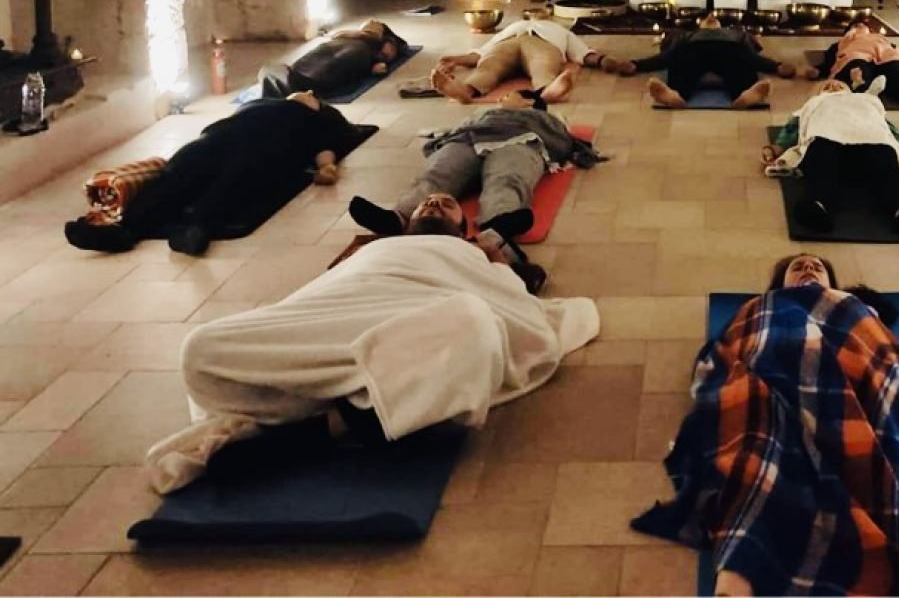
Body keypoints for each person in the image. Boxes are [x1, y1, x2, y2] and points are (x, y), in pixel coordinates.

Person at [632, 252, 899, 596]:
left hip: (859, 384)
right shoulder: (760, 309)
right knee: (761, 443)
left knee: (887, 443)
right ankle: (737, 580)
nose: (809, 267)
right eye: (797, 266)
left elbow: (895, 366)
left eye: (818, 266)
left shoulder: (853, 310)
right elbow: (724, 357)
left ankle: (897, 543)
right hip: (777, 372)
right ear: (778, 285)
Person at [143, 197, 599, 494]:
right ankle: (349, 414)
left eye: (449, 207)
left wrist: (496, 264)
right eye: (427, 203)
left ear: (465, 231)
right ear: (406, 222)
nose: (437, 201)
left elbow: (525, 321)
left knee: (475, 322)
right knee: (199, 350)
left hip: (415, 329)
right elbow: (324, 297)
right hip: (337, 334)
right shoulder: (375, 249)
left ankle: (319, 430)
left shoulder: (473, 254)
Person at [63, 92, 368, 256]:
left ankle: (198, 226)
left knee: (235, 176)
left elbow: (326, 153)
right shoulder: (261, 102)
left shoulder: (316, 119)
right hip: (218, 137)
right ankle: (124, 231)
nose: (307, 92)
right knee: (180, 170)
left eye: (311, 94)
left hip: (270, 147)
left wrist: (327, 169)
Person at [346, 104, 603, 240]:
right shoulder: (483, 113)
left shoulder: (543, 115)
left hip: (522, 139)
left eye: (520, 96)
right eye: (507, 96)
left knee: (506, 179)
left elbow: (561, 136)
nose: (511, 97)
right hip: (469, 139)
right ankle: (399, 218)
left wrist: (537, 105)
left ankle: (498, 227)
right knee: (436, 176)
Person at [763, 80, 899, 234]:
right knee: (821, 151)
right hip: (830, 143)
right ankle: (817, 205)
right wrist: (776, 148)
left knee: (884, 151)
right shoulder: (814, 104)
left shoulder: (865, 100)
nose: (833, 85)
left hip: (869, 145)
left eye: (839, 84)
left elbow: (886, 128)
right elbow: (792, 129)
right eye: (827, 85)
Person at [615, 11, 791, 108]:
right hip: (693, 51)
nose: (711, 17)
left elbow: (752, 54)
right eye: (706, 18)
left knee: (742, 60)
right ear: (698, 26)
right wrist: (636, 65)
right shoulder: (685, 35)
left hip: (729, 51)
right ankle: (674, 95)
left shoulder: (738, 34)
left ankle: (745, 95)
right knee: (679, 58)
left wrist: (777, 66)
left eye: (714, 18)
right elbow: (667, 55)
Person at [431, 13, 612, 104]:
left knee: (543, 67)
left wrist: (605, 61)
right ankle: (465, 90)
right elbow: (480, 53)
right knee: (488, 67)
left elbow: (583, 53)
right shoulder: (514, 26)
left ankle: (548, 91)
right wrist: (455, 59)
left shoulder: (559, 29)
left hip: (543, 45)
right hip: (506, 45)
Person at [259, 19, 408, 99]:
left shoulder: (385, 42)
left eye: (375, 26)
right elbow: (334, 37)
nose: (370, 25)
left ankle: (299, 84)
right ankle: (293, 81)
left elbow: (389, 55)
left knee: (332, 65)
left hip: (356, 53)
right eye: (366, 26)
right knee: (313, 62)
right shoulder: (345, 35)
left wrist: (377, 63)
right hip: (333, 49)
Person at [802, 20, 899, 109]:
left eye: (862, 26)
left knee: (897, 66)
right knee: (857, 67)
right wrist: (818, 70)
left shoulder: (880, 38)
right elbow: (831, 59)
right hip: (858, 54)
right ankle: (860, 87)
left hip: (885, 55)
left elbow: (898, 55)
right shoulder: (843, 41)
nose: (860, 27)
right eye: (856, 26)